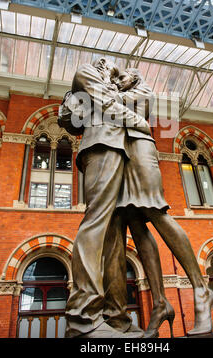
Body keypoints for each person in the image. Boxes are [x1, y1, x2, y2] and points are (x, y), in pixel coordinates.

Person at [108, 68, 213, 338]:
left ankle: (201, 289)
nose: (118, 81)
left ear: (134, 77)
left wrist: (105, 93)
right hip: (119, 156)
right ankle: (159, 303)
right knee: (134, 224)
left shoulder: (142, 91)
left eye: (122, 77)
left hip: (140, 150)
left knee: (156, 212)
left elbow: (113, 106)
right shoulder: (116, 93)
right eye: (115, 79)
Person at [64, 58, 153, 339]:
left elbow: (137, 99)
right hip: (101, 146)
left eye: (117, 74)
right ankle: (83, 318)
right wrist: (142, 124)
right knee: (96, 223)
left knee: (115, 236)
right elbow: (106, 104)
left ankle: (117, 319)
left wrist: (120, 96)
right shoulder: (87, 72)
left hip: (119, 150)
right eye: (112, 71)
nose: (112, 74)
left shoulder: (109, 85)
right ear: (102, 65)